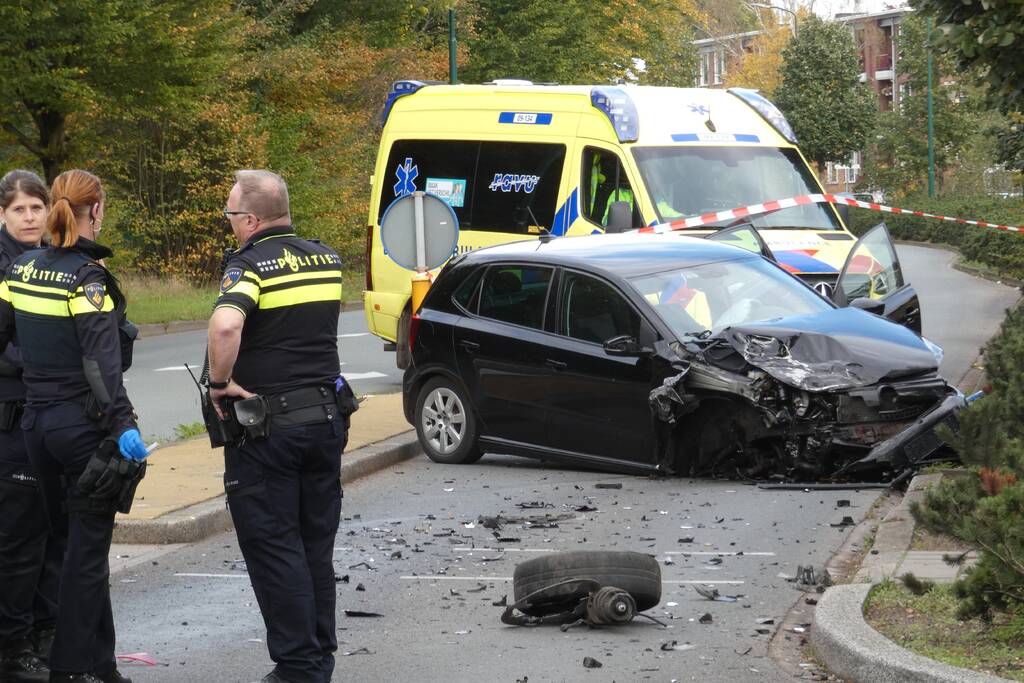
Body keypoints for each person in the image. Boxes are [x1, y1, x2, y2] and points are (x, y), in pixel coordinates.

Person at [0, 169, 147, 683]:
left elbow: (5, 336)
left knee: (69, 550)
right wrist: (123, 424)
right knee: (84, 560)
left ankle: (102, 668)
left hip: (35, 429)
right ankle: (69, 671)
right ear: (96, 210)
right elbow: (101, 367)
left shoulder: (23, 269)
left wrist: (34, 362)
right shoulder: (88, 278)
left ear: (51, 207)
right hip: (81, 431)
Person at [207, 169, 347, 683]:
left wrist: (219, 382)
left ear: (250, 218)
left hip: (269, 429)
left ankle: (297, 667)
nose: (229, 225)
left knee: (275, 545)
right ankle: (318, 659)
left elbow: (226, 324)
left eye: (229, 215)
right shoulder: (325, 258)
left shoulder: (248, 267)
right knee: (315, 546)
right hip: (326, 419)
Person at [0, 169, 62, 683]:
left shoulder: (52, 261)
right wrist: (47, 356)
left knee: (50, 535)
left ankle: (45, 634)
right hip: (11, 418)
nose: (28, 217)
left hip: (50, 418)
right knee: (18, 540)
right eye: (18, 209)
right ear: (3, 213)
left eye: (36, 208)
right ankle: (13, 647)